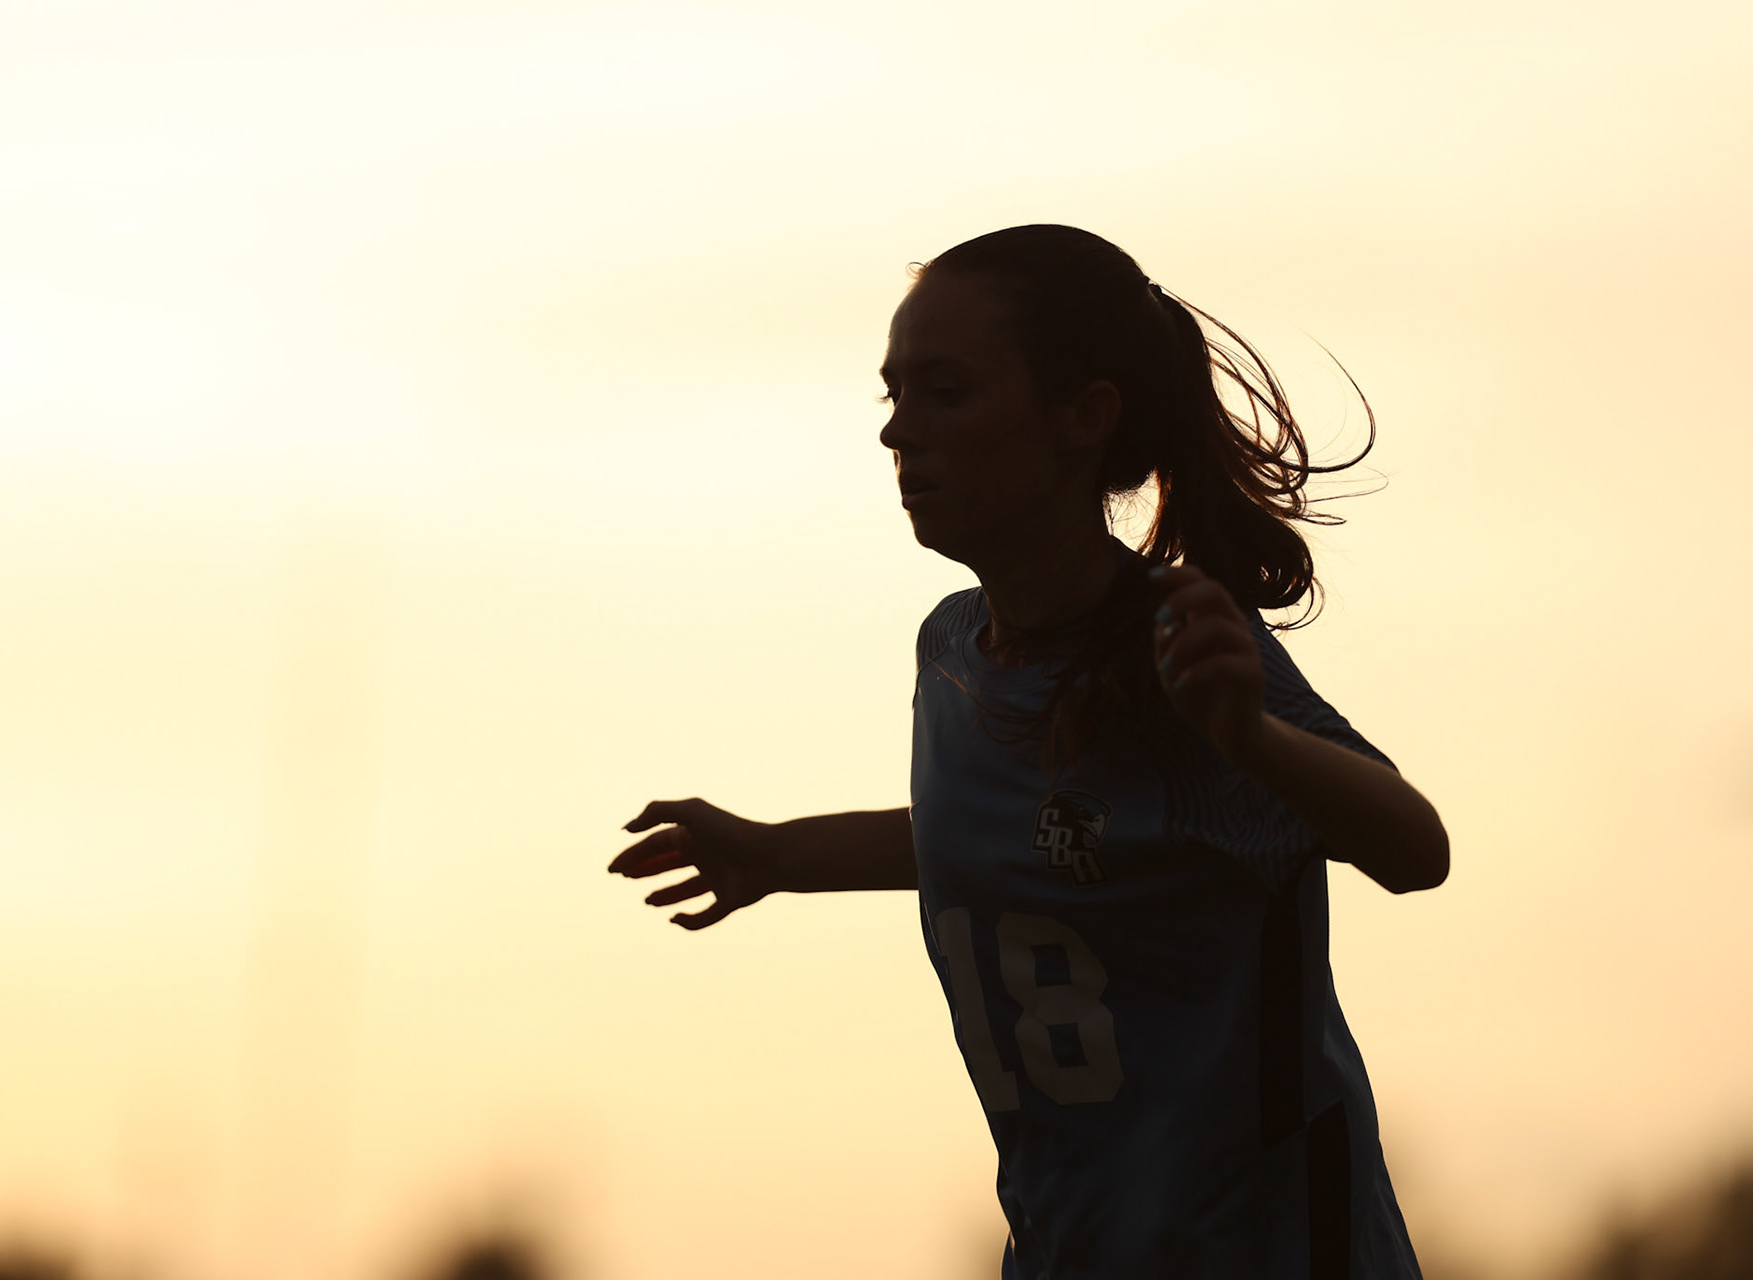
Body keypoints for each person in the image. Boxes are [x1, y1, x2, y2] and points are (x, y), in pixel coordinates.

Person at [609, 224, 1447, 1279]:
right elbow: (1012, 839)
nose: (897, 432)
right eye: (893, 394)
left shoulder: (1177, 651)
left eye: (946, 392)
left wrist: (1250, 737)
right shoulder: (954, 648)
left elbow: (1417, 846)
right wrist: (780, 856)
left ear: (1082, 419)